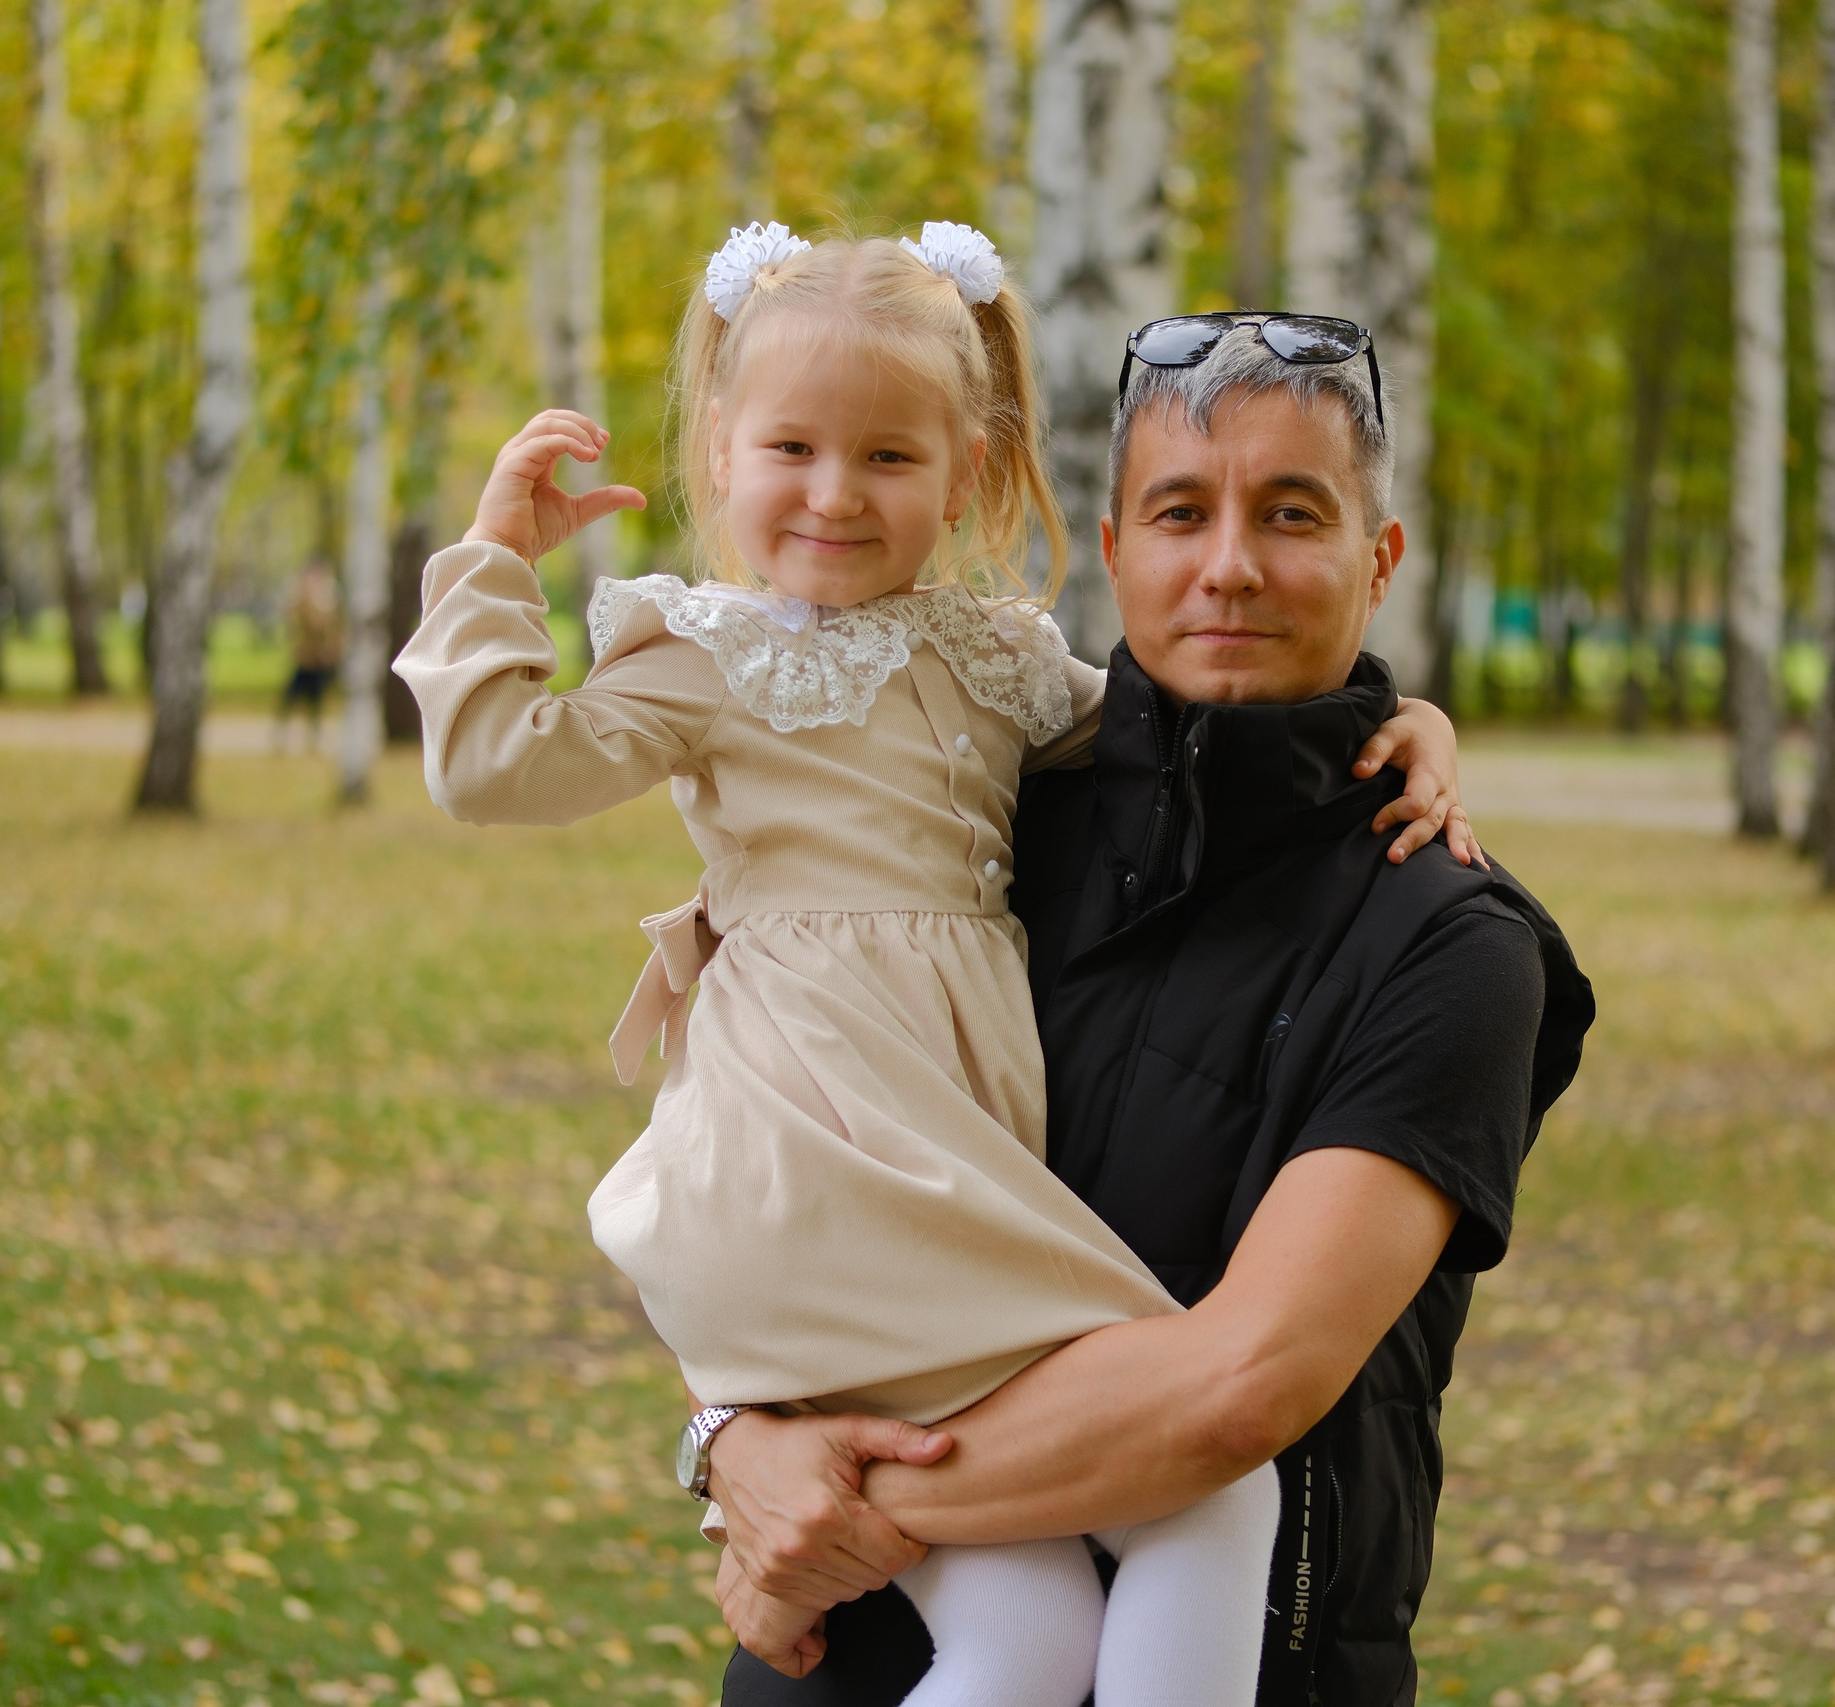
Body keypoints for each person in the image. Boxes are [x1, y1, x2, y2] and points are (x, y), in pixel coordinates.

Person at [392, 227, 1471, 1707]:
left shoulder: (992, 661)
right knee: (1214, 1500)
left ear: (963, 470)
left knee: (1025, 1632)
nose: (835, 494)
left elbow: (1180, 732)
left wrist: (1398, 722)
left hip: (913, 1140)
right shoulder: (710, 654)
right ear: (718, 451)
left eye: (888, 457)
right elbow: (496, 764)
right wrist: (495, 561)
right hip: (830, 1145)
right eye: (791, 446)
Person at [708, 313, 1594, 1707]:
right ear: (1115, 549)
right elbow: (772, 1152)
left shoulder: (1451, 943)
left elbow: (1237, 1383)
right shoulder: (975, 826)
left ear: (1381, 556)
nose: (1230, 564)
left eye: (1292, 513)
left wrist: (834, 1490)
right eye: (1182, 510)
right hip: (865, 1661)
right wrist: (725, 1434)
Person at [275, 560, 344, 749]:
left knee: (315, 702)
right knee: (291, 699)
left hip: (316, 659)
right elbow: (294, 620)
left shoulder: (326, 600)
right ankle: (282, 737)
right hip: (304, 659)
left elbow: (329, 628)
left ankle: (312, 739)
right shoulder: (303, 598)